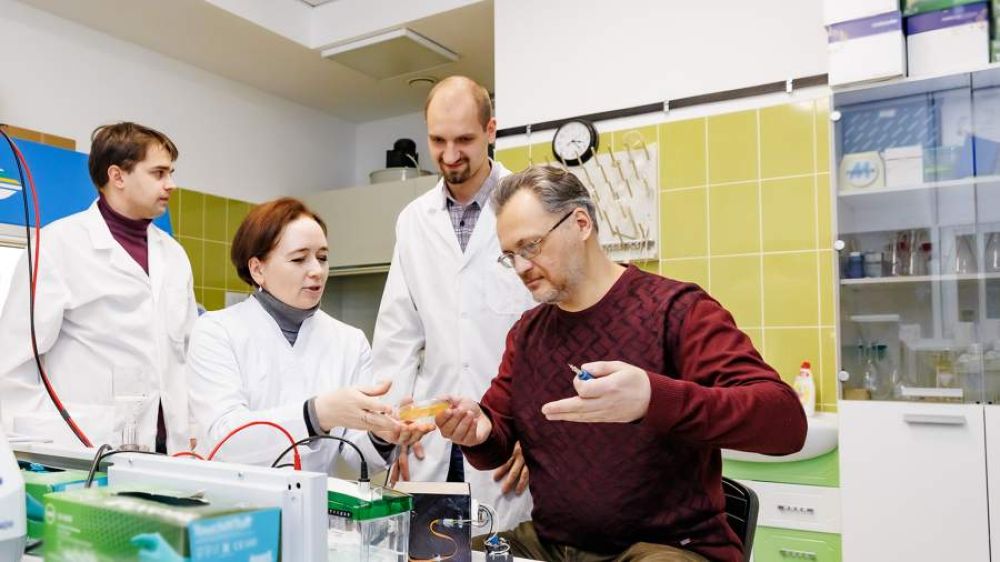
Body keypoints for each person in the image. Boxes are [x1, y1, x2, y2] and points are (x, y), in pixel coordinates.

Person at [436, 166, 808, 562]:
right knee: (442, 555)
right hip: (552, 545)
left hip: (664, 548)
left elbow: (785, 423)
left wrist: (653, 399)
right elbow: (496, 444)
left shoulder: (677, 311)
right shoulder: (528, 334)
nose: (522, 267)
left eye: (531, 247)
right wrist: (477, 433)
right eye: (510, 256)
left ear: (581, 224)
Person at [372, 75, 535, 529]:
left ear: (490, 130)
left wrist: (541, 433)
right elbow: (398, 335)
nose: (449, 155)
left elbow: (561, 327)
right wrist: (393, 426)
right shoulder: (413, 220)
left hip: (510, 437)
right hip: (432, 437)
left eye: (463, 140)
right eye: (437, 140)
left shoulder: (530, 207)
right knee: (432, 549)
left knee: (503, 549)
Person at [187, 198, 432, 474]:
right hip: (232, 498)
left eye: (322, 258)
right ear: (258, 269)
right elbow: (224, 439)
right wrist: (316, 414)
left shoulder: (349, 341)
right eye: (299, 259)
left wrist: (382, 436)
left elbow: (357, 455)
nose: (317, 271)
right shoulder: (216, 331)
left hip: (312, 499)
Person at [0, 122, 196, 453]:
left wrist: (194, 428)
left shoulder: (174, 255)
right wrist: (46, 446)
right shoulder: (57, 246)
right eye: (158, 173)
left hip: (172, 448)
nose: (171, 185)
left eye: (171, 173)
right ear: (117, 176)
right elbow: (13, 364)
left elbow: (188, 354)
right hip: (91, 447)